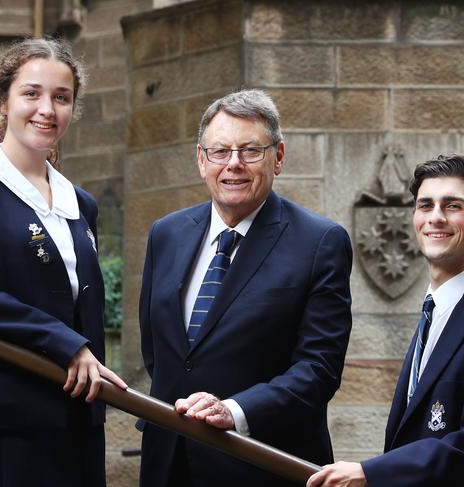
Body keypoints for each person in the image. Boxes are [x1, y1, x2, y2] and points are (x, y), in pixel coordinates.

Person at [0, 37, 126, 487]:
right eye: (31, 93)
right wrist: (65, 342)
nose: (47, 109)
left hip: (72, 423)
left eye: (61, 97)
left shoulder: (82, 204)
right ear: (3, 100)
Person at [138, 89, 353, 486]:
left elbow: (318, 369)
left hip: (260, 464)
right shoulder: (166, 234)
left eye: (251, 151)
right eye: (220, 151)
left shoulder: (320, 242)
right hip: (168, 463)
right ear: (202, 160)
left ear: (279, 157)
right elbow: (160, 353)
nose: (233, 164)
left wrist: (234, 411)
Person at [307, 154, 464, 487]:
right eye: (425, 205)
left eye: (452, 206)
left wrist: (370, 473)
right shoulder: (436, 312)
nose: (435, 218)